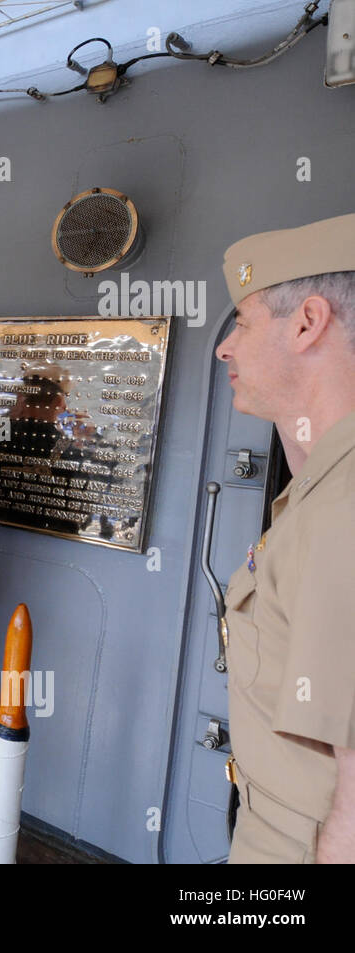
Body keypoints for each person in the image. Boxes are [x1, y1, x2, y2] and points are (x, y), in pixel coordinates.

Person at [215, 212, 355, 863]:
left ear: (307, 324)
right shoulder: (319, 484)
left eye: (242, 323)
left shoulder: (343, 503)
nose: (225, 348)